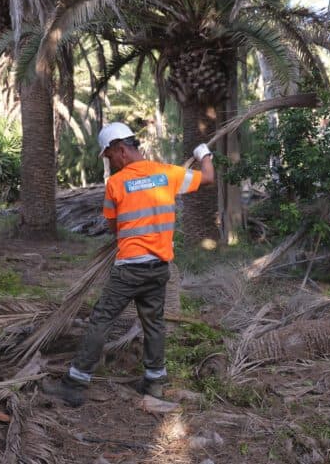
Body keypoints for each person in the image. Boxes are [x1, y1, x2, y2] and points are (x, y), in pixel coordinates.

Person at [43, 122, 215, 406]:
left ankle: (74, 384)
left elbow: (114, 226)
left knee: (101, 320)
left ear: (121, 150)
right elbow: (208, 177)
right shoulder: (167, 173)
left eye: (109, 156)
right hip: (159, 268)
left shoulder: (116, 184)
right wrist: (204, 153)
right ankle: (154, 383)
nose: (109, 163)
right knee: (154, 323)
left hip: (129, 269)